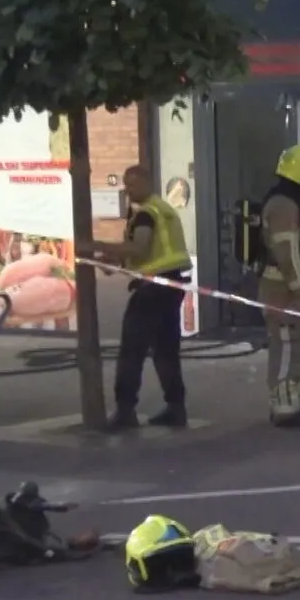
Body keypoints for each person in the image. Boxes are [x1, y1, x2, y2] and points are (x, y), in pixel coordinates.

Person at [79, 164, 191, 431]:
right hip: (170, 287)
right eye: (125, 184)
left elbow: (139, 247)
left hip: (152, 291)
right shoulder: (161, 209)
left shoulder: (146, 215)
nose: (127, 190)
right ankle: (176, 409)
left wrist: (96, 246)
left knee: (132, 351)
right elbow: (144, 251)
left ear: (146, 182)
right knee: (166, 352)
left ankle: (125, 410)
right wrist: (113, 259)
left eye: (131, 184)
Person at [260, 145, 300, 428]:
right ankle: (285, 406)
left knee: (289, 343)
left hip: (282, 287)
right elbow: (287, 253)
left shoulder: (285, 202)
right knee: (288, 345)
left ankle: (284, 401)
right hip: (282, 290)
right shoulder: (285, 205)